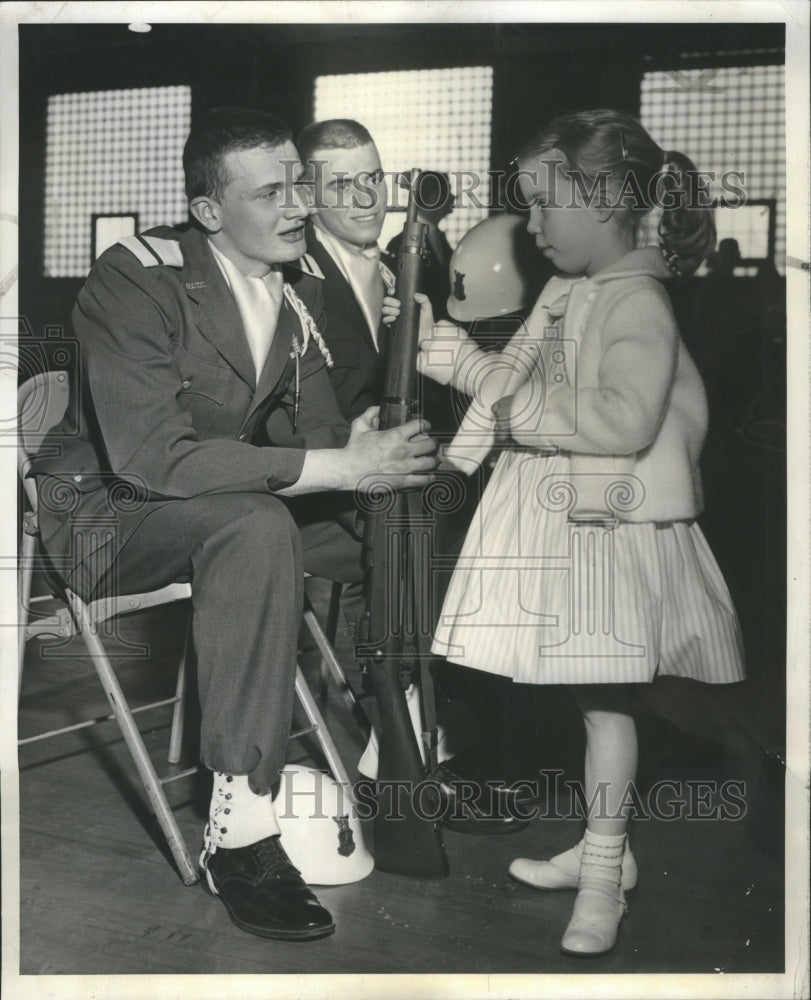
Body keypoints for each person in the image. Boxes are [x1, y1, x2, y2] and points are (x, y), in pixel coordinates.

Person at [28, 107, 437, 943]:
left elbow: (312, 438)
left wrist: (359, 452)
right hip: (110, 520)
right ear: (210, 211)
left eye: (298, 184)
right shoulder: (135, 275)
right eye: (271, 192)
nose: (298, 206)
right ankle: (241, 829)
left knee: (398, 514)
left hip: (220, 508)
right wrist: (333, 465)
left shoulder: (296, 291)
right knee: (257, 528)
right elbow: (150, 457)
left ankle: (395, 746)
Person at [387, 108, 745, 956]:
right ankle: (599, 852)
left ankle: (605, 872)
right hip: (558, 516)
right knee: (590, 703)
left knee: (606, 705)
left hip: (607, 527)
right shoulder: (564, 289)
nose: (532, 224)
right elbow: (506, 380)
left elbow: (619, 422)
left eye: (547, 204)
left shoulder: (637, 300)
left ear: (607, 202)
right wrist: (450, 469)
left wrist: (472, 372)